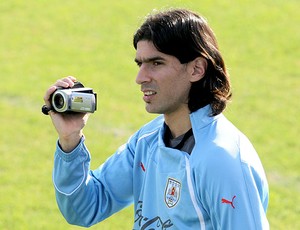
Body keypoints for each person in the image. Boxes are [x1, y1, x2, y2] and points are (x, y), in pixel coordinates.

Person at [43, 8, 269, 229]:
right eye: (140, 64)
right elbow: (84, 209)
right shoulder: (147, 140)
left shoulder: (223, 160)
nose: (140, 78)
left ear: (196, 69)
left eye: (156, 63)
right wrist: (70, 140)